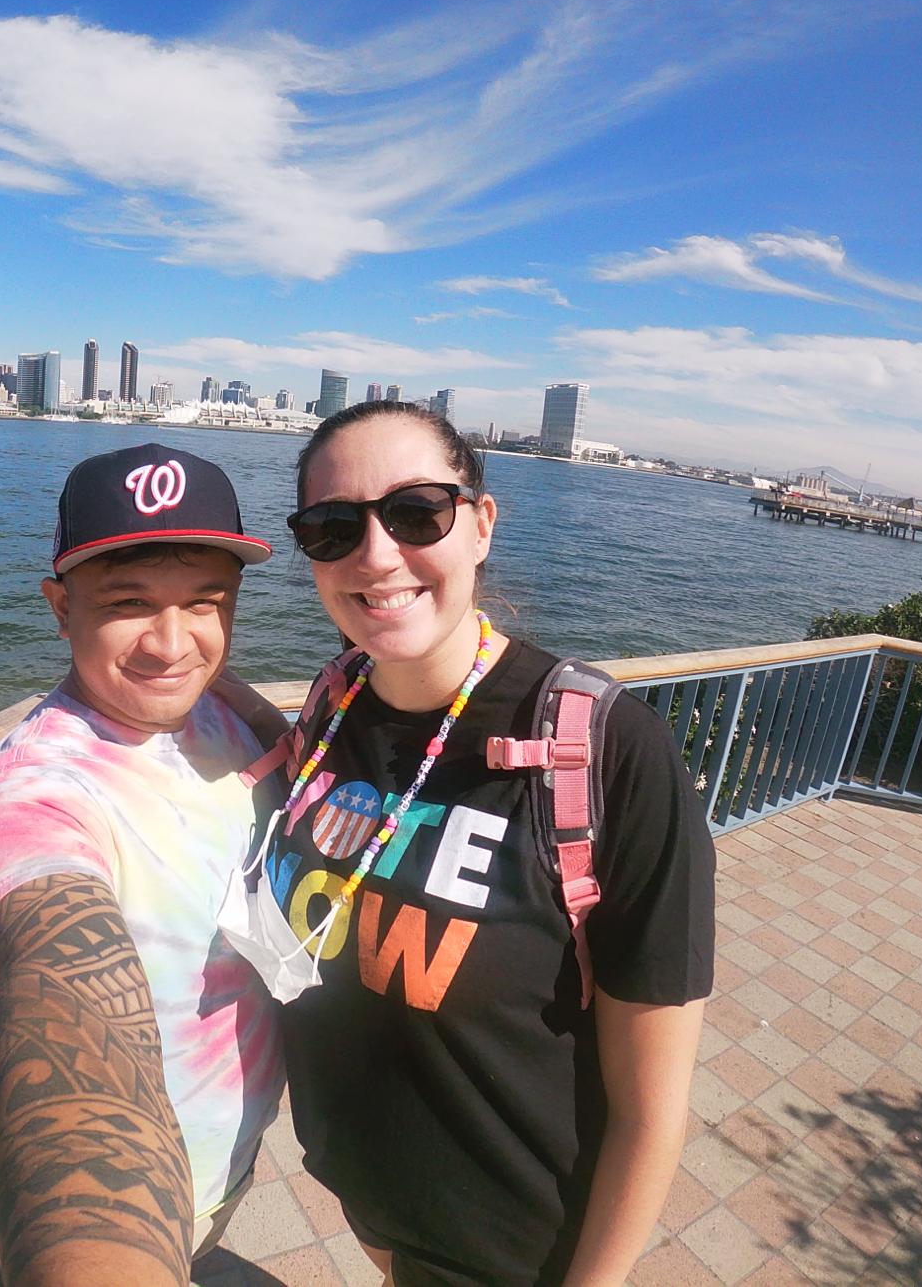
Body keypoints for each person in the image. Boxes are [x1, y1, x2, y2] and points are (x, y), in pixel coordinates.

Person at [258, 400, 715, 1286]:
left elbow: (651, 1111)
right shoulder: (333, 701)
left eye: (416, 512)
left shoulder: (608, 751)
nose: (375, 554)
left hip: (510, 1253)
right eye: (332, 527)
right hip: (362, 1192)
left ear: (480, 526)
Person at [0, 443, 287, 1286]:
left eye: (205, 602)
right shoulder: (33, 801)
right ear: (61, 608)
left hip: (236, 1144)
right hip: (159, 1206)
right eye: (129, 603)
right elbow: (64, 991)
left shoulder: (222, 713)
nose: (172, 645)